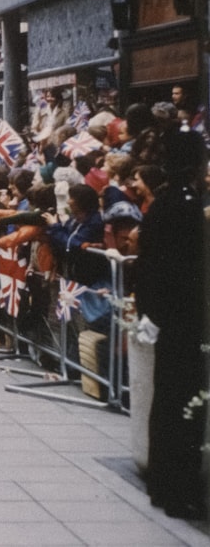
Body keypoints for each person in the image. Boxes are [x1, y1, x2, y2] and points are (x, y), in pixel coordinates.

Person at [135, 129, 207, 520]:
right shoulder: (187, 205)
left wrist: (149, 311)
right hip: (184, 316)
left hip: (165, 316)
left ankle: (163, 485)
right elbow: (184, 268)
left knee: (165, 400)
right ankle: (179, 488)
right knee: (181, 405)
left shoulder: (163, 202)